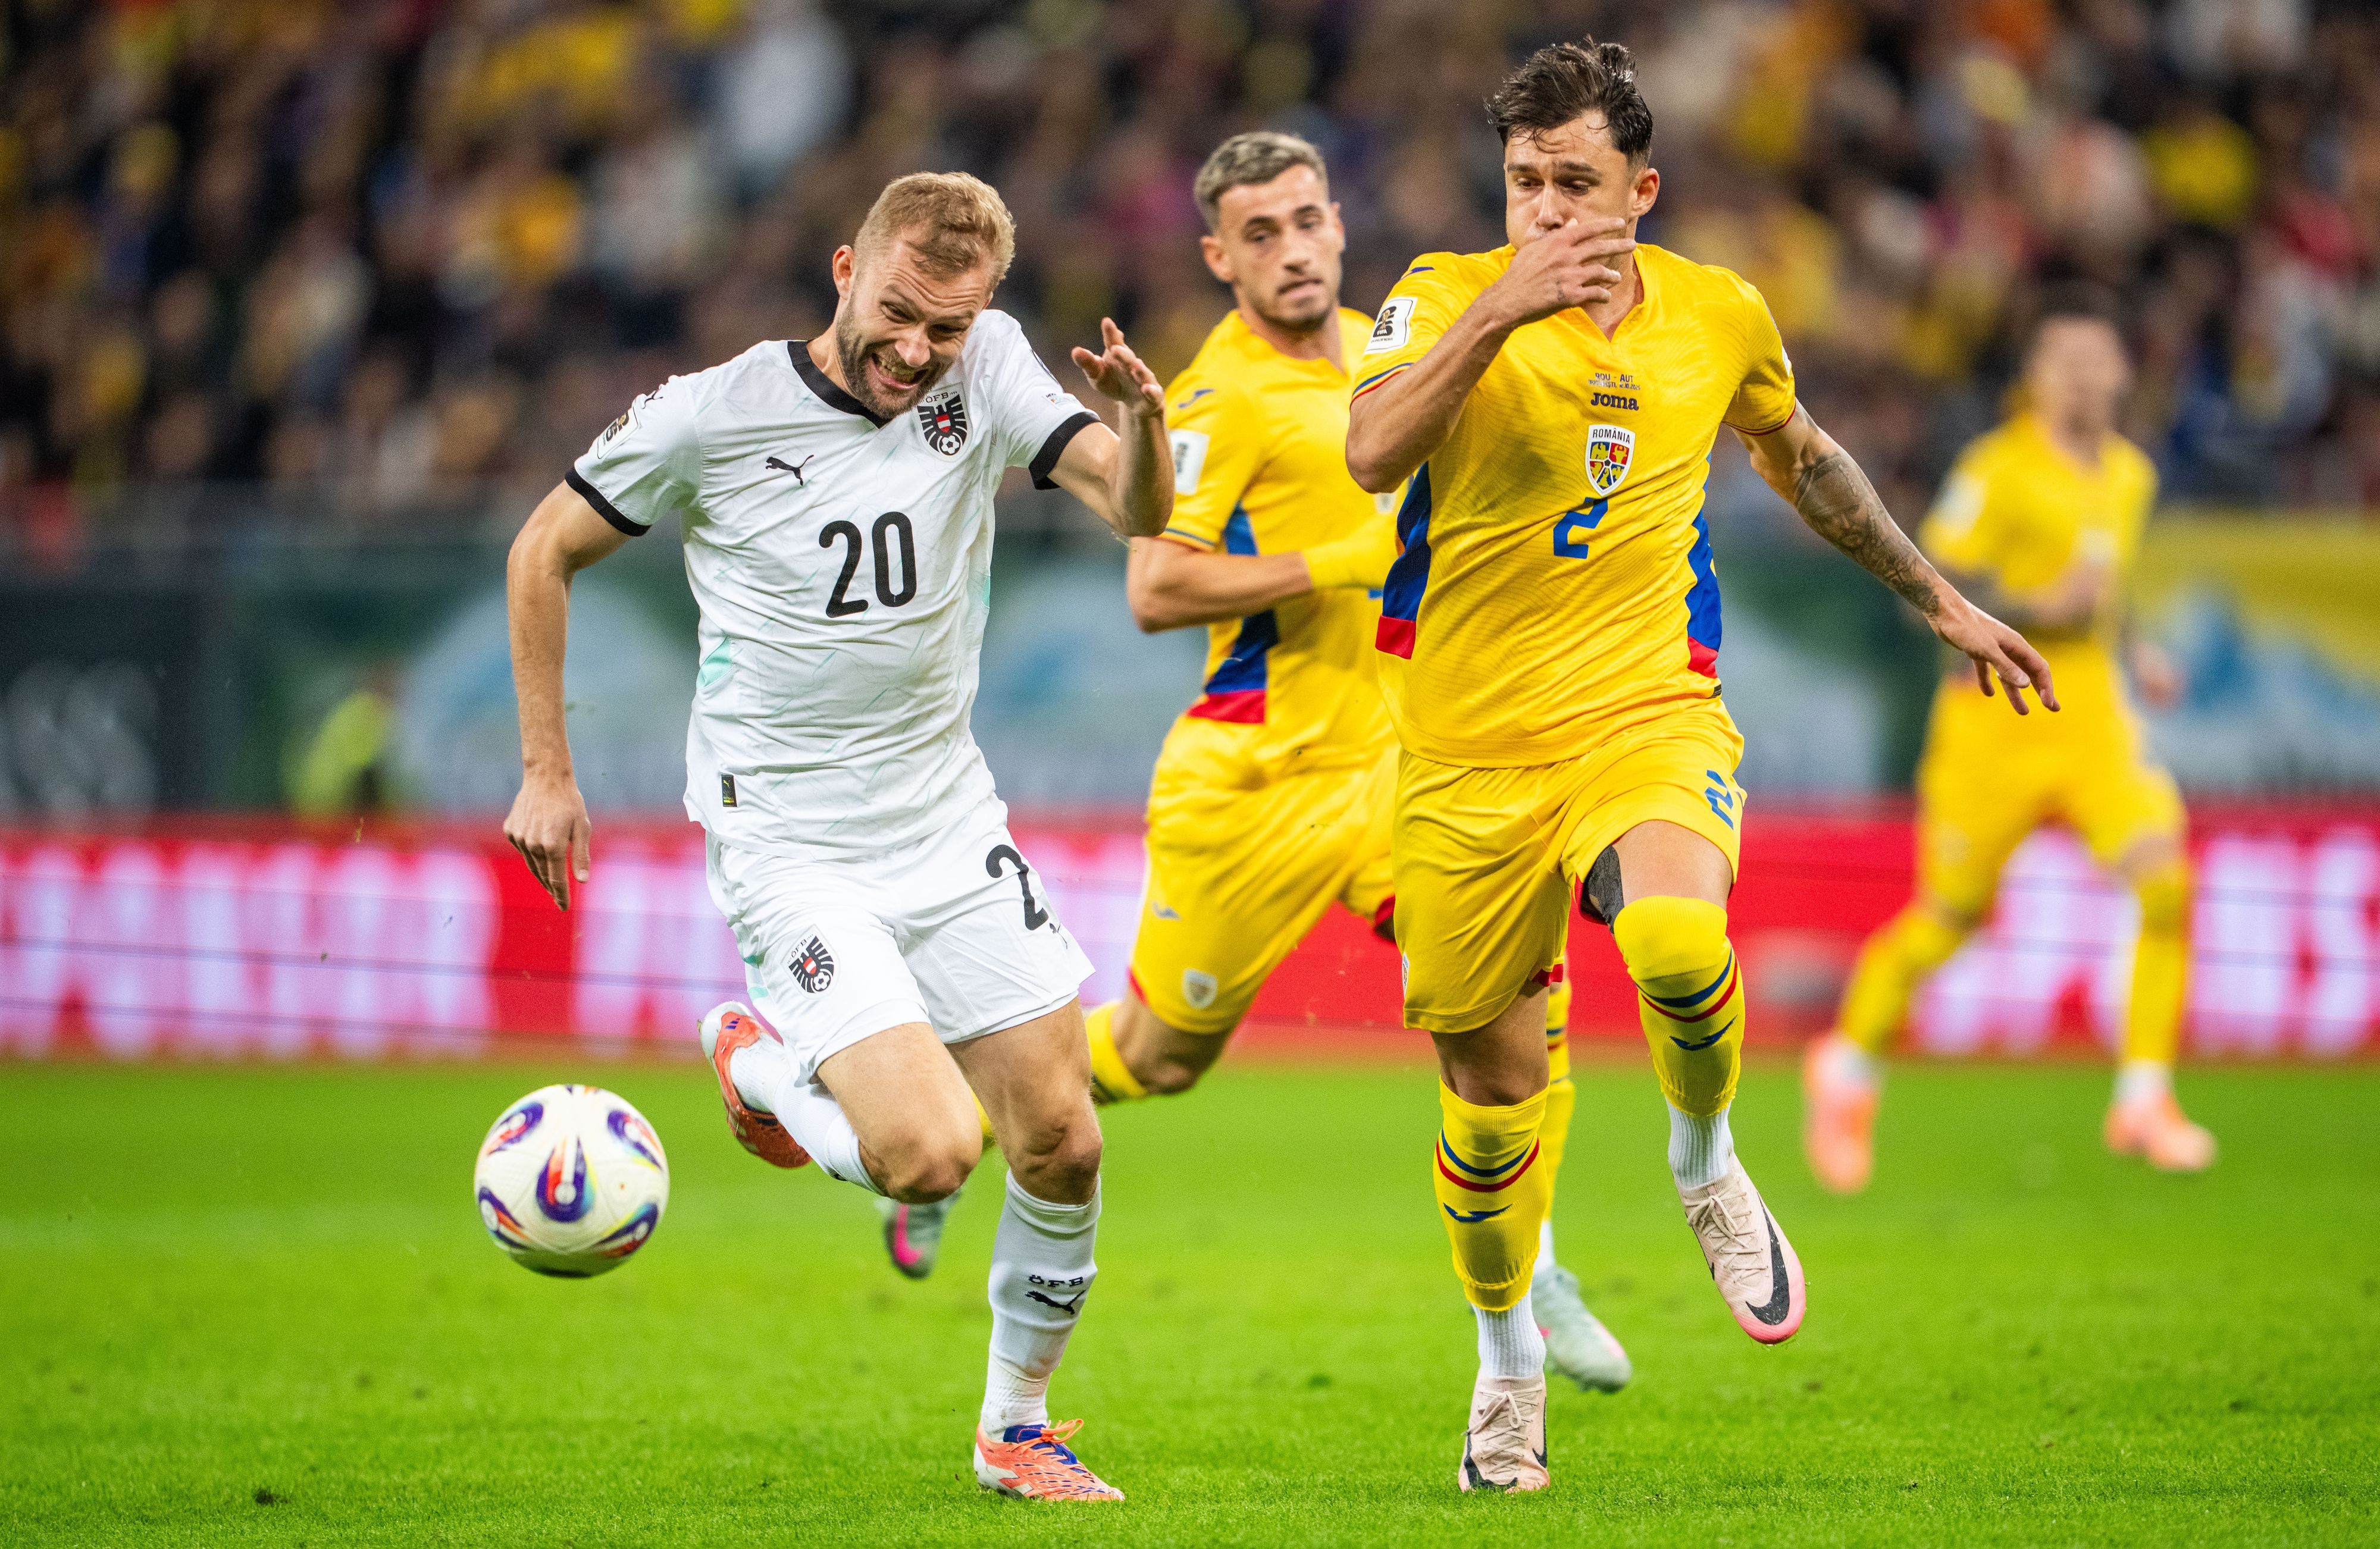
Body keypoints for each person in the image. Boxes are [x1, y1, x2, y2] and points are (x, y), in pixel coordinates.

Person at [1342, 40, 2057, 1492]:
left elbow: (1805, 458)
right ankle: (1504, 1367)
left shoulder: (1718, 315)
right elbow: (1367, 450)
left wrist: (1937, 599)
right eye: (1523, 183)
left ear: (1641, 189)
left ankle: (1704, 1162)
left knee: (1673, 935)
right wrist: (1496, 308)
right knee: (1490, 1111)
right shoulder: (1435, 290)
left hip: (1643, 711)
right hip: (1463, 752)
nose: (1544, 207)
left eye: (1575, 183)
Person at [877, 130, 1631, 1397]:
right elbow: (1155, 584)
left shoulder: (1401, 352)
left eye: (1304, 221)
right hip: (1251, 785)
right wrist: (1331, 565)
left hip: (1402, 765)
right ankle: (967, 1100)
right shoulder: (1218, 395)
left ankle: (1533, 1262)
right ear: (1219, 256)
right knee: (1158, 1058)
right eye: (1258, 234)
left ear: (1338, 224)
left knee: (1518, 1002)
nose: (1289, 251)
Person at [501, 172, 1172, 1503]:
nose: (918, 353)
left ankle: (1015, 1429)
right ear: (842, 271)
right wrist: (546, 770)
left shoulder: (984, 372)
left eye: (950, 327)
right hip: (793, 844)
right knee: (930, 1154)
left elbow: (1138, 511)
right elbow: (543, 550)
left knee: (1065, 1139)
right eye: (901, 315)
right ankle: (764, 1076)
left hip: (943, 815)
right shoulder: (711, 414)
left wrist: (1142, 426)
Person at [1803, 287, 2212, 1191]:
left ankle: (2144, 1094)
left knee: (2166, 879)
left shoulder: (2131, 477)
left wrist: (2136, 648)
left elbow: (2108, 588)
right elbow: (1934, 590)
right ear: (2034, 379)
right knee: (1950, 921)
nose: (2083, 378)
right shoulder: (1996, 468)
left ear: (2122, 373)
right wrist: (2032, 610)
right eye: (2064, 362)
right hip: (1992, 720)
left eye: (2097, 360)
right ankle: (1846, 1068)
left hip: (2091, 714)